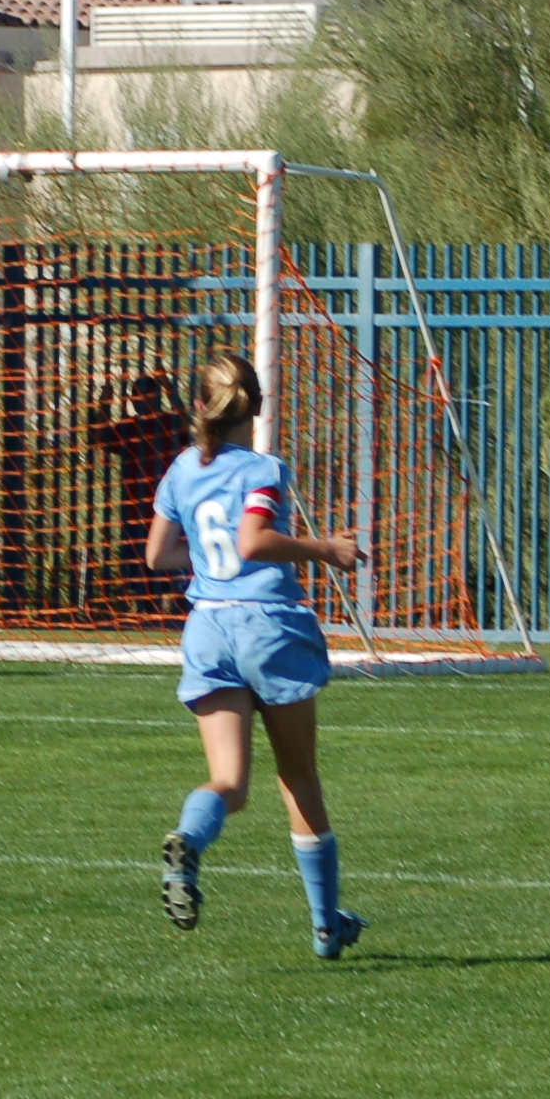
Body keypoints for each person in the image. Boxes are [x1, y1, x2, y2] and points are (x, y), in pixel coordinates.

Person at [146, 354, 370, 959]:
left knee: (230, 783)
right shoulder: (263, 469)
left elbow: (157, 555)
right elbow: (252, 540)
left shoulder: (181, 469)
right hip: (266, 627)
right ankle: (325, 925)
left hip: (208, 630)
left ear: (199, 406)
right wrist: (326, 549)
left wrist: (206, 560)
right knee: (298, 776)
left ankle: (189, 840)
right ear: (260, 406)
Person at [89, 372, 181, 622]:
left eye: (149, 396)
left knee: (167, 567)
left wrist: (171, 390)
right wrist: (104, 405)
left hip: (167, 511)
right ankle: (145, 613)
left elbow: (188, 428)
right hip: (134, 511)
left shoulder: (168, 422)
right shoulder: (129, 427)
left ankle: (171, 614)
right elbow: (100, 438)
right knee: (139, 568)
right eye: (137, 396)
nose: (143, 401)